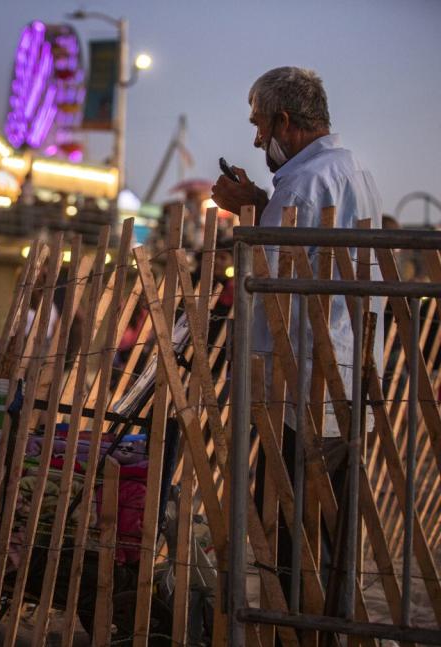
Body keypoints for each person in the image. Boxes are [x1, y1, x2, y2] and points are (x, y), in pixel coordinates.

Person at [211, 66, 383, 611]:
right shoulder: (347, 167)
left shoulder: (307, 180)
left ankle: (302, 635)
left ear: (285, 121)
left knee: (296, 538)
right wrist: (260, 198)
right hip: (340, 377)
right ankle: (323, 629)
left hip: (304, 384)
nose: (258, 139)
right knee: (329, 542)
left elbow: (272, 258)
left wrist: (244, 207)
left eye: (261, 125)